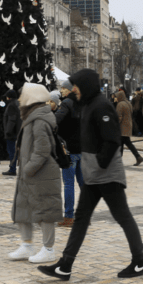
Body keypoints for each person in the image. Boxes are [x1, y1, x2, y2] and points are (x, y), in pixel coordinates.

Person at [38, 69, 143, 281]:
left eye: (77, 85)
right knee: (81, 219)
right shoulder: (88, 104)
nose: (74, 89)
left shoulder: (102, 106)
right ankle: (65, 265)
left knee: (122, 216)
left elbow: (112, 140)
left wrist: (100, 164)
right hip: (94, 175)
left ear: (86, 85)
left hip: (107, 176)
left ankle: (140, 261)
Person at [9, 83, 63, 264]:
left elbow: (42, 150)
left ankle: (49, 249)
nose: (19, 100)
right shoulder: (31, 117)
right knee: (23, 207)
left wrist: (28, 168)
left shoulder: (39, 120)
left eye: (22, 96)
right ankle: (27, 244)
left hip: (41, 173)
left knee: (45, 210)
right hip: (30, 174)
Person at [55, 79, 84, 227]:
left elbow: (56, 121)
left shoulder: (66, 103)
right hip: (82, 149)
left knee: (68, 184)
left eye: (63, 89)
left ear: (69, 90)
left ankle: (68, 217)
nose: (61, 91)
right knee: (83, 183)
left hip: (70, 149)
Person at [115, 89, 143, 166]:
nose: (116, 98)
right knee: (124, 143)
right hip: (128, 125)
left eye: (117, 97)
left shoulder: (120, 104)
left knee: (125, 143)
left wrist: (115, 125)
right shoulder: (128, 103)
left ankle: (137, 157)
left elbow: (119, 117)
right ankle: (137, 157)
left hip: (122, 127)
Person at [2, 89, 21, 176]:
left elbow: (11, 120)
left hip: (11, 133)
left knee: (12, 151)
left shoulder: (11, 105)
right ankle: (12, 168)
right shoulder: (17, 103)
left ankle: (12, 169)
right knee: (14, 151)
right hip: (17, 131)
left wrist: (8, 131)